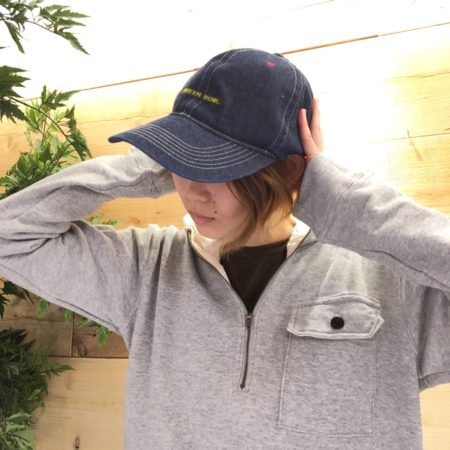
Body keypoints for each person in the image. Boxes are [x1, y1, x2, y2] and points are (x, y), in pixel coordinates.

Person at [0, 48, 449, 450]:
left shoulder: (392, 281)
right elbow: (9, 236)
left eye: (215, 165)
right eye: (181, 160)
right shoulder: (145, 270)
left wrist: (344, 202)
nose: (192, 189)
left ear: (289, 170)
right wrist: (143, 168)